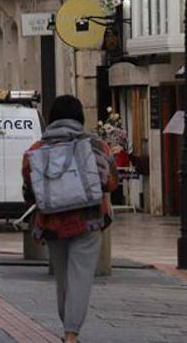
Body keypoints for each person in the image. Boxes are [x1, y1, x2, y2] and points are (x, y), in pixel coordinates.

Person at [22, 95, 118, 343]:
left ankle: (68, 328)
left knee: (63, 279)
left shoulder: (36, 150)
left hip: (52, 223)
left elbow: (29, 190)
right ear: (80, 117)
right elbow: (110, 181)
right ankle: (71, 334)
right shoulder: (97, 146)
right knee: (81, 278)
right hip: (89, 220)